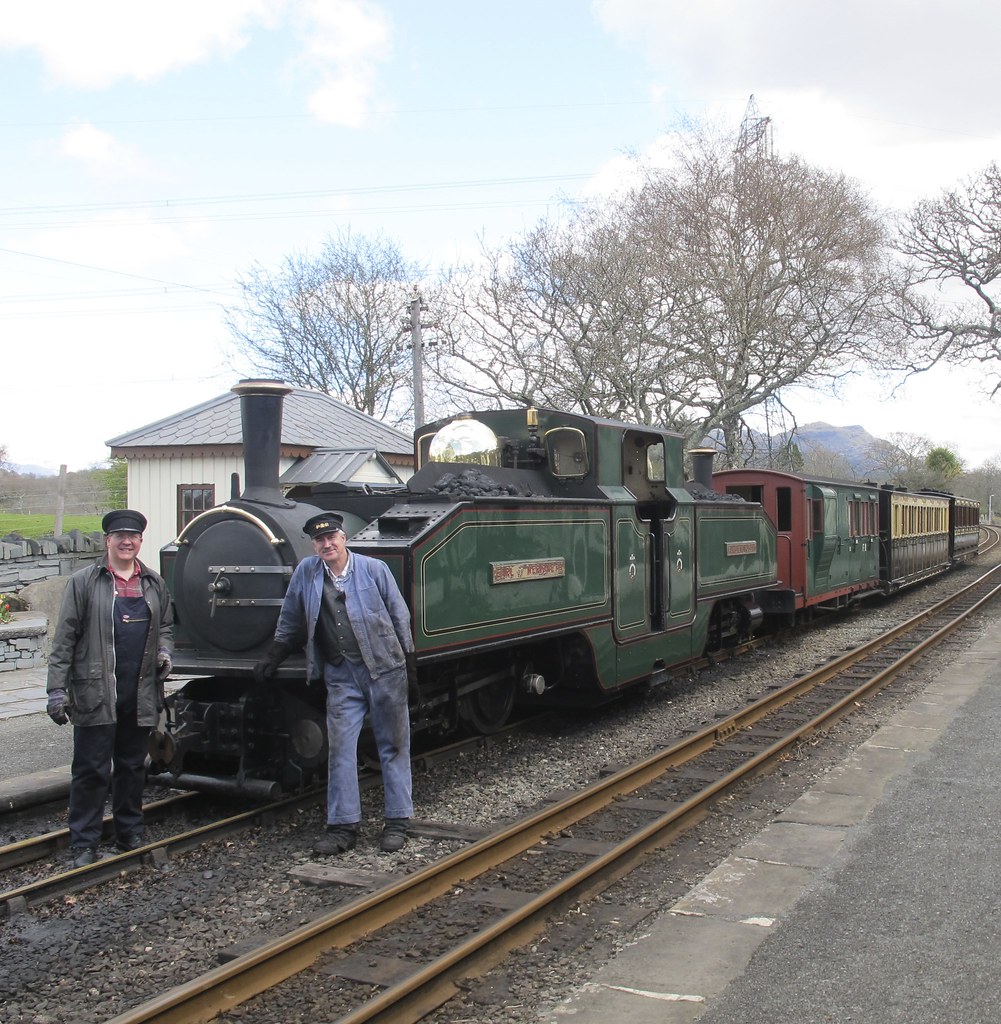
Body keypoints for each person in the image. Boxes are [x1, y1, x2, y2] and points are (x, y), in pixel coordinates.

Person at [254, 511, 418, 855]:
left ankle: (398, 821)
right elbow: (290, 618)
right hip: (341, 674)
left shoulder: (374, 570)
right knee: (341, 750)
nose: (326, 544)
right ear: (314, 545)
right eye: (319, 540)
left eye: (332, 537)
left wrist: (411, 665)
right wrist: (274, 655)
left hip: (386, 669)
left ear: (343, 538)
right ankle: (343, 826)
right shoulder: (307, 573)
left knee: (393, 746)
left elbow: (399, 615)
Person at [46, 509, 174, 869]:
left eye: (132, 536)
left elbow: (165, 625)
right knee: (91, 770)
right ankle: (84, 842)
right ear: (108, 541)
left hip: (140, 692)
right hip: (96, 692)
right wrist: (57, 689)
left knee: (132, 767)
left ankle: (129, 832)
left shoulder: (153, 583)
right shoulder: (85, 582)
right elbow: (64, 639)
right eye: (119, 536)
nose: (126, 542)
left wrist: (165, 651)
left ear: (140, 541)